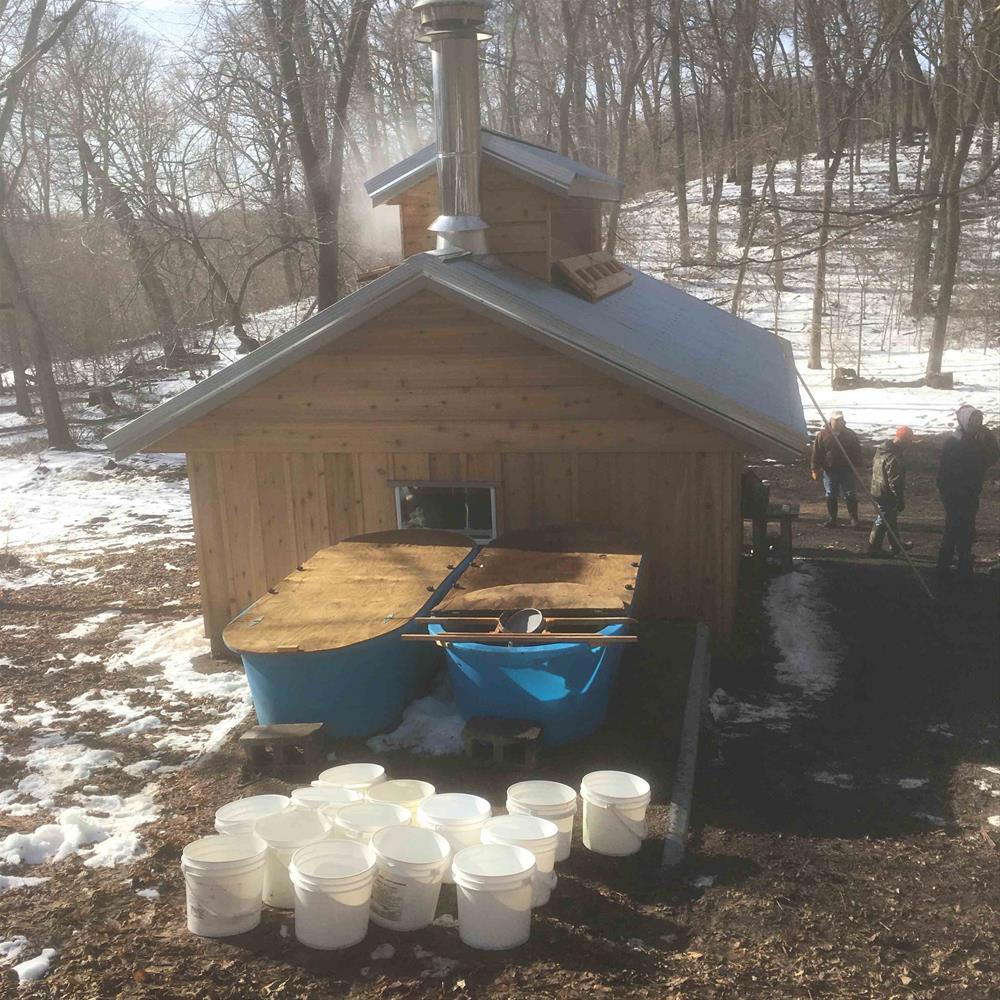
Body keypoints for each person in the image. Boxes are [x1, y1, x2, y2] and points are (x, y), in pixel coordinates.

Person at [935, 405, 999, 579]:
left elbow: (991, 457)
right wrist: (951, 492)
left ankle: (963, 566)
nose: (976, 424)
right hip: (954, 493)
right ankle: (945, 567)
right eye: (972, 421)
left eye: (979, 421)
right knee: (954, 529)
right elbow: (947, 472)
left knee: (967, 529)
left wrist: (988, 438)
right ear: (964, 421)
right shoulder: (954, 443)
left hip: (970, 492)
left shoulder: (978, 439)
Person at [811, 410, 863, 528]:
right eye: (835, 420)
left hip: (847, 470)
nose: (837, 422)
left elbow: (857, 451)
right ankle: (832, 519)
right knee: (831, 494)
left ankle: (854, 519)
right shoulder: (823, 434)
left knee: (850, 494)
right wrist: (814, 468)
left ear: (843, 421)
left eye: (839, 420)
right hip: (830, 470)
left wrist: (858, 465)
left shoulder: (850, 434)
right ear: (831, 420)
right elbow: (817, 452)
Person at [869, 426, 913, 557]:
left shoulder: (881, 450)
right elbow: (895, 482)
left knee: (891, 518)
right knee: (883, 518)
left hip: (877, 488)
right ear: (905, 441)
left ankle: (896, 545)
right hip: (886, 493)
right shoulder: (894, 458)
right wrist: (900, 499)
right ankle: (873, 547)